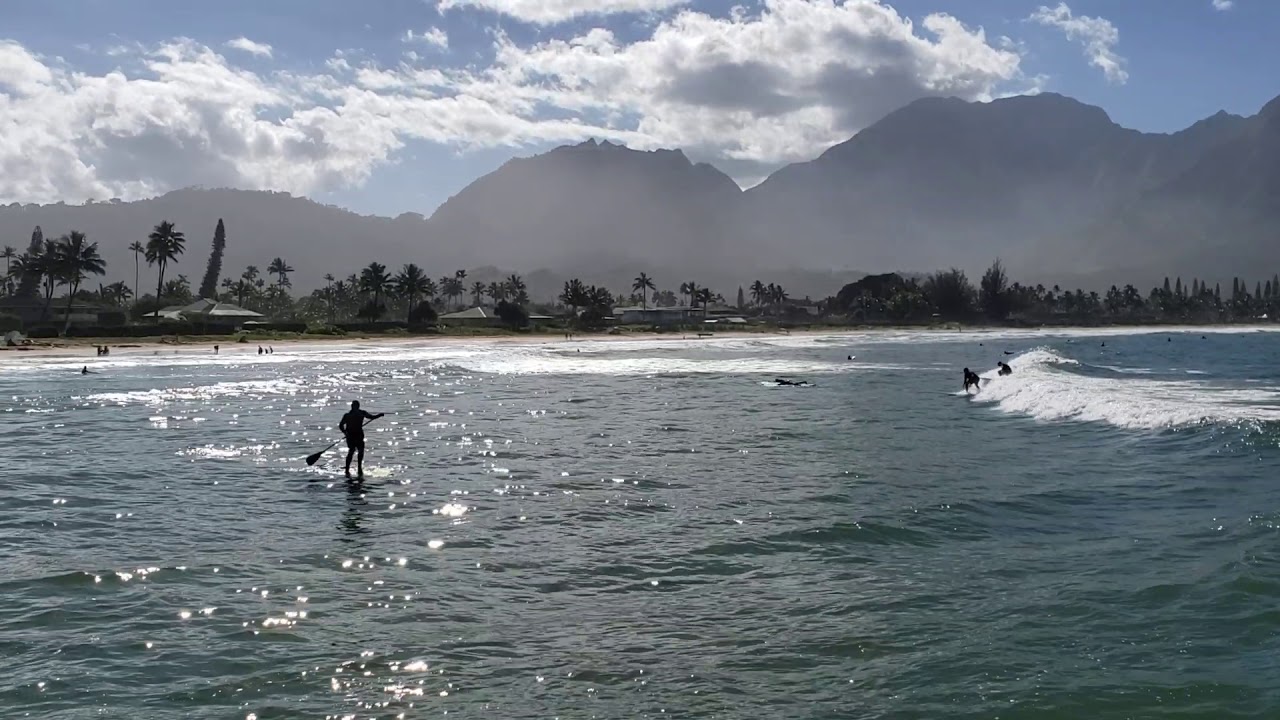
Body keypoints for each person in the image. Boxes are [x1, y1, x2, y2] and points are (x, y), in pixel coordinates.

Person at [339, 401, 384, 478]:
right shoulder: (347, 415)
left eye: (355, 406)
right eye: (352, 406)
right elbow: (341, 425)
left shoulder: (362, 413)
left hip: (359, 435)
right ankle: (347, 469)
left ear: (358, 406)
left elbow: (371, 417)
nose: (353, 407)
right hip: (350, 436)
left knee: (361, 451)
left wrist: (379, 415)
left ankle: (359, 468)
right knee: (351, 451)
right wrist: (345, 433)